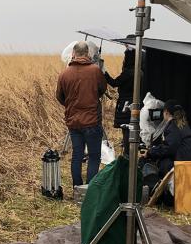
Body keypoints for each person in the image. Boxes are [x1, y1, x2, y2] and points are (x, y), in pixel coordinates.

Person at [57, 41, 107, 189]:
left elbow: (60, 96)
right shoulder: (95, 71)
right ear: (87, 54)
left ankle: (77, 189)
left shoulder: (64, 74)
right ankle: (89, 190)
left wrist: (71, 106)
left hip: (74, 122)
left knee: (77, 156)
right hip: (92, 121)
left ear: (73, 53)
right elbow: (102, 89)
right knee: (93, 157)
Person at [143, 100, 191, 196]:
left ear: (166, 112)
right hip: (186, 162)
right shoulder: (182, 124)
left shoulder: (173, 126)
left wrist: (150, 152)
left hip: (179, 165)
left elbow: (169, 148)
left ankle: (154, 189)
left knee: (152, 163)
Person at [105, 47, 137, 131]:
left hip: (125, 105)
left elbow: (114, 83)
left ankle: (127, 144)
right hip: (134, 104)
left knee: (126, 129)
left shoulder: (128, 73)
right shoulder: (139, 71)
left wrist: (103, 72)